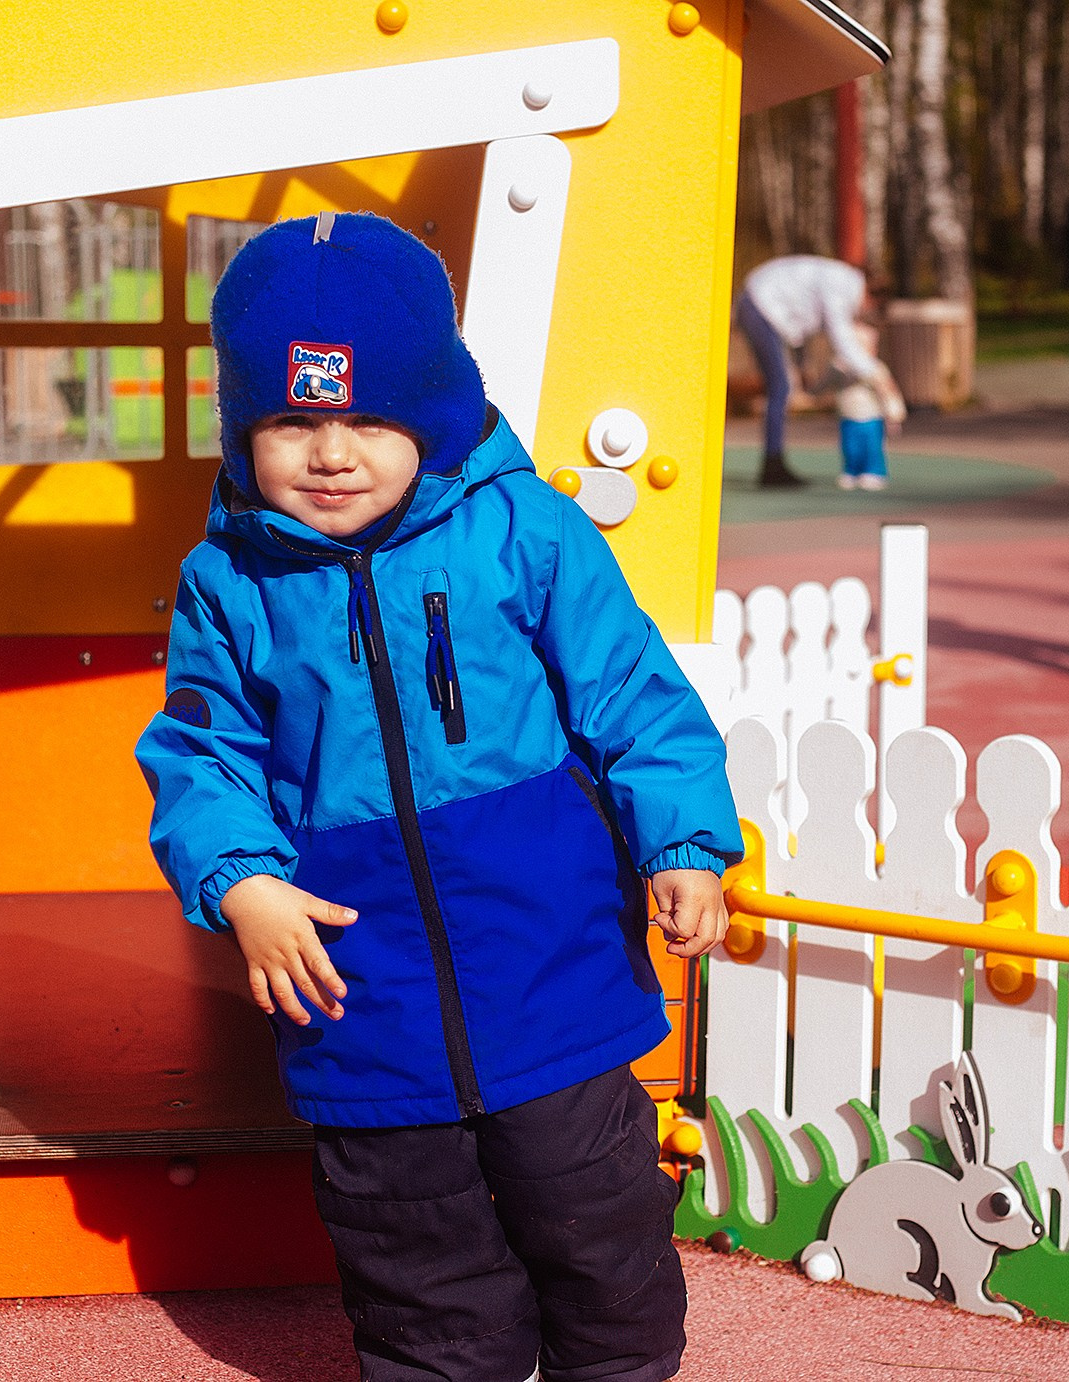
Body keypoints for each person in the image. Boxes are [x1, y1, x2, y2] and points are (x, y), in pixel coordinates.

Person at [137, 212, 742, 1382]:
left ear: (433, 412)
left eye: (368, 419)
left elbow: (632, 692)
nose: (331, 453)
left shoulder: (523, 531)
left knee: (595, 1212)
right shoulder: (227, 582)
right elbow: (202, 752)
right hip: (358, 981)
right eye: (292, 422)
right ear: (242, 428)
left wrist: (681, 839)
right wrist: (242, 881)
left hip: (546, 957)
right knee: (408, 1240)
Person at [736, 253, 886, 488]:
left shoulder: (841, 280)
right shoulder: (843, 285)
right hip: (759, 304)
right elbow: (842, 338)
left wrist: (802, 365)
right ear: (869, 295)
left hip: (758, 302)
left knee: (781, 386)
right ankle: (772, 465)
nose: (863, 311)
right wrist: (876, 373)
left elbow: (800, 326)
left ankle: (773, 462)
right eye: (869, 307)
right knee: (780, 387)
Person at [834, 317, 906, 491]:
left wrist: (894, 414)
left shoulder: (875, 369)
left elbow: (888, 391)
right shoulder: (841, 369)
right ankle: (852, 470)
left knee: (871, 446)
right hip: (848, 416)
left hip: (871, 417)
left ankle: (874, 471)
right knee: (850, 447)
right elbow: (825, 382)